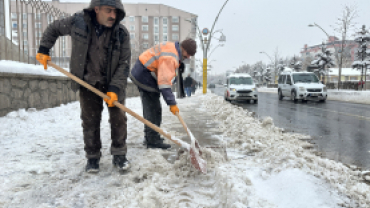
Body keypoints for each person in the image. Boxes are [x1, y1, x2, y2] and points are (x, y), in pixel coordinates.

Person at [35, 0, 131, 173]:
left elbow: (124, 63)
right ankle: (92, 158)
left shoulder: (121, 33)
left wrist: (115, 89)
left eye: (115, 12)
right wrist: (44, 49)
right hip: (87, 81)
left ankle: (119, 155)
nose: (113, 16)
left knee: (118, 119)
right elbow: (54, 28)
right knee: (90, 120)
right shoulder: (77, 22)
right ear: (96, 9)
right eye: (109, 11)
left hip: (112, 84)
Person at [129, 38, 197, 149]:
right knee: (152, 110)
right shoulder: (170, 57)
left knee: (155, 109)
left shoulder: (173, 49)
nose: (189, 57)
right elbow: (164, 83)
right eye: (188, 54)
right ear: (183, 48)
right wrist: (172, 103)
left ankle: (152, 137)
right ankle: (151, 140)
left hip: (146, 73)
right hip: (144, 76)